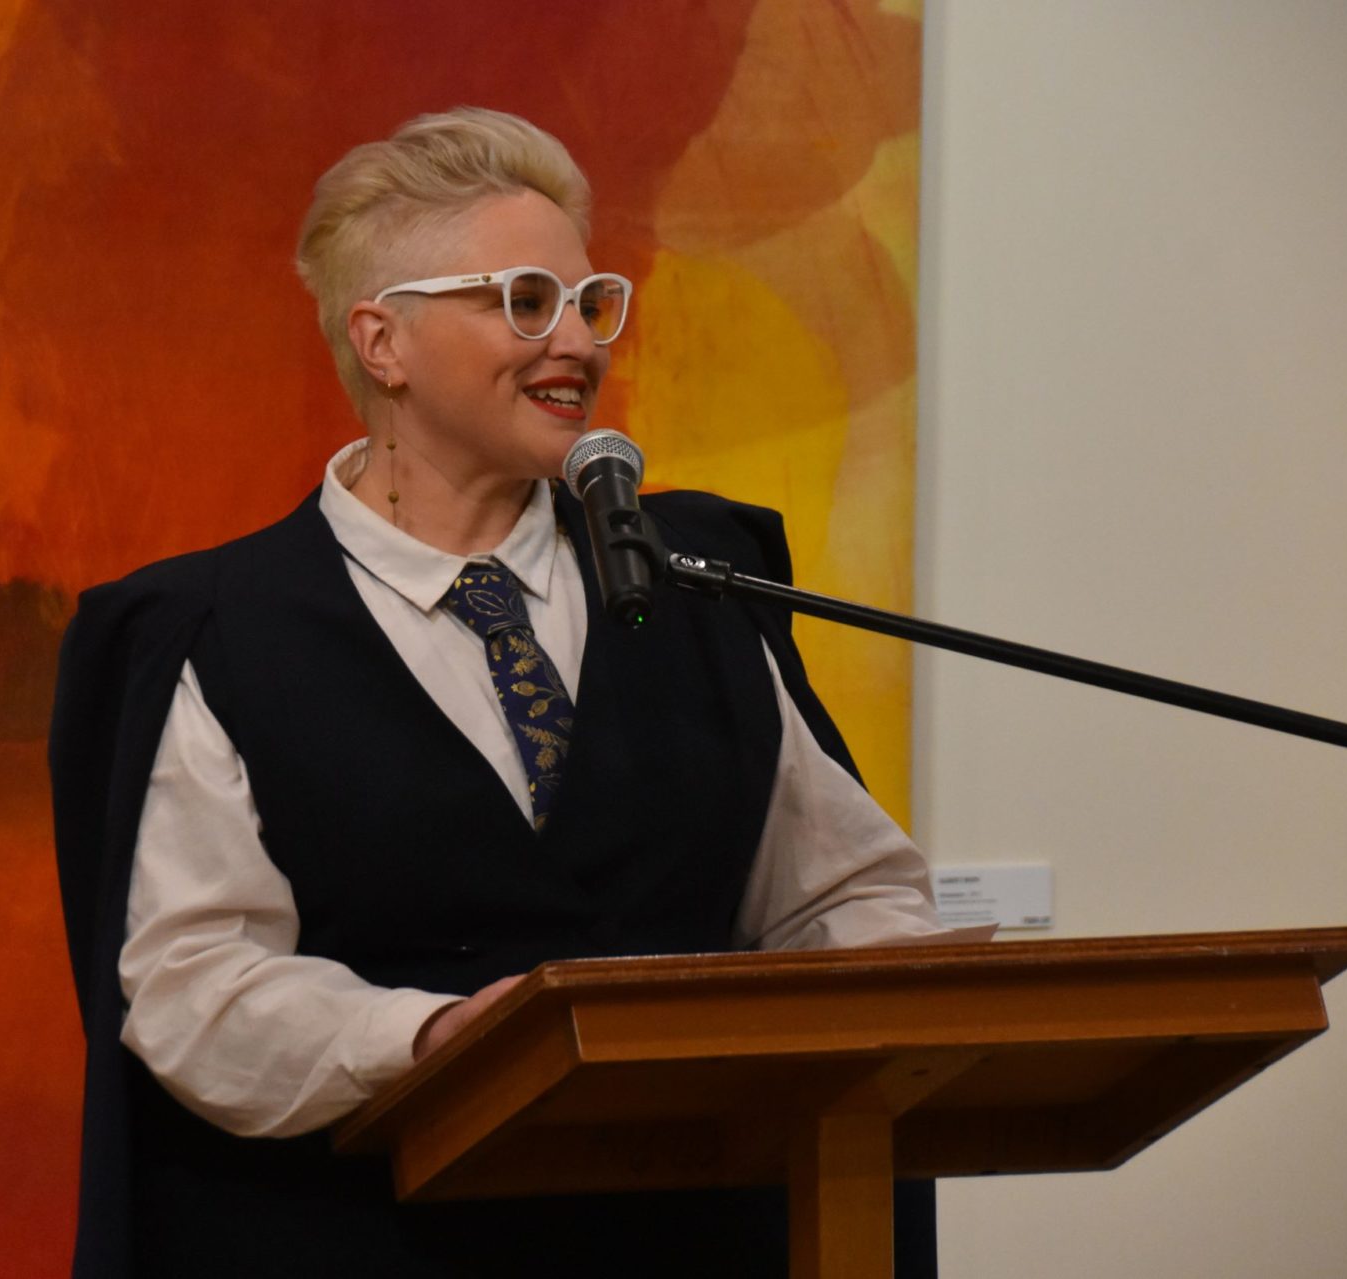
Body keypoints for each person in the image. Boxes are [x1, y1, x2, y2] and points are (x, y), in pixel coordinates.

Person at [50, 107, 949, 1277]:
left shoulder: (693, 582)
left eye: (590, 302)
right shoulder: (211, 632)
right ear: (384, 342)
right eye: (524, 301)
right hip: (379, 1240)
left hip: (703, 1236)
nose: (575, 340)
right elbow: (193, 985)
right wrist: (433, 1034)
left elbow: (846, 895)